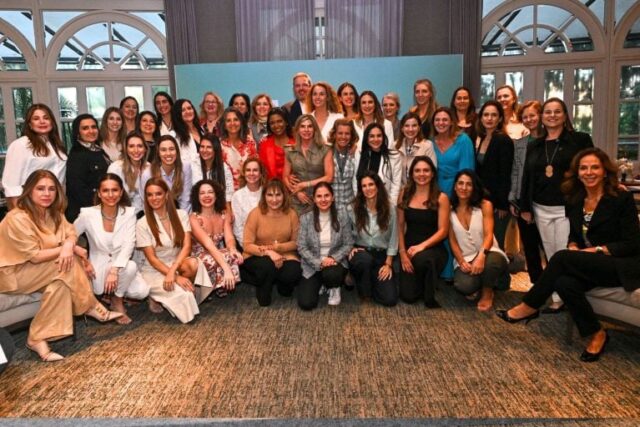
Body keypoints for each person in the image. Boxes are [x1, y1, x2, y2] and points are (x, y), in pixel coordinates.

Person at [497, 148, 640, 362]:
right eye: (584, 168)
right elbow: (574, 235)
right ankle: (597, 334)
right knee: (564, 283)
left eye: (595, 167)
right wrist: (574, 246)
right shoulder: (575, 199)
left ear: (604, 171)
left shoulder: (620, 198)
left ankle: (529, 306)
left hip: (621, 264)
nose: (589, 172)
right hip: (592, 263)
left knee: (561, 257)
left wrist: (595, 250)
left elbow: (632, 243)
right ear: (577, 173)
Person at [0, 170, 122, 362]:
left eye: (51, 189)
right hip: (12, 275)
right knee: (68, 262)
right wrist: (68, 250)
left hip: (40, 272)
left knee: (61, 286)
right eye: (40, 189)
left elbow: (71, 233)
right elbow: (34, 256)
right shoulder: (16, 218)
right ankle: (91, 306)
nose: (46, 194)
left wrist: (68, 245)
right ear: (29, 191)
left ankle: (36, 339)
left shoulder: (53, 213)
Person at [520, 97, 594, 312]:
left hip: (566, 208)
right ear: (542, 117)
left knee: (564, 252)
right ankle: (557, 296)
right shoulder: (535, 145)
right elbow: (527, 177)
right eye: (548, 112)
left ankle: (568, 293)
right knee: (550, 252)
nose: (552, 116)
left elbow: (592, 165)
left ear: (565, 115)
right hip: (540, 207)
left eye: (557, 111)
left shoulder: (579, 140)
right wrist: (525, 207)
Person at [74, 174, 150, 324]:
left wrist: (114, 270)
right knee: (129, 268)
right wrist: (81, 256)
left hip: (120, 266)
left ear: (121, 192)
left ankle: (116, 299)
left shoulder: (129, 214)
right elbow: (68, 236)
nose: (110, 195)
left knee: (141, 290)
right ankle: (110, 297)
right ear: (99, 193)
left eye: (114, 190)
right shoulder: (87, 214)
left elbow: (129, 245)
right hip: (96, 268)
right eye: (106, 190)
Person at [136, 178, 213, 323]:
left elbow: (187, 246)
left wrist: (174, 272)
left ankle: (182, 289)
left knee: (194, 264)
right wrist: (175, 277)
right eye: (150, 195)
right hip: (155, 270)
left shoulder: (181, 214)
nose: (154, 198)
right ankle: (155, 296)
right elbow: (152, 259)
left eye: (158, 193)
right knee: (185, 296)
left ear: (166, 195)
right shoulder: (142, 223)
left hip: (176, 263)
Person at [448, 170, 508, 312]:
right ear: (455, 186)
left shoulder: (485, 205)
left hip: (489, 251)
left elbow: (489, 235)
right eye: (460, 183)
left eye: (469, 184)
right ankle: (484, 281)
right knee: (463, 286)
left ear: (474, 187)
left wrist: (481, 256)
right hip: (466, 257)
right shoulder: (449, 209)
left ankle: (487, 292)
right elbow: (452, 241)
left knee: (491, 264)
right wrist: (461, 261)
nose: (464, 188)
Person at [397, 156, 449, 308]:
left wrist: (421, 246)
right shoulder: (404, 194)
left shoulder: (441, 198)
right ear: (412, 174)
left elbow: (443, 231)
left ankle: (429, 290)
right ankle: (423, 282)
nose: (422, 174)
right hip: (409, 249)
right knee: (408, 297)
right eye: (417, 170)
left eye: (426, 170)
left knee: (424, 260)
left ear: (432, 174)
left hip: (433, 248)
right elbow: (399, 225)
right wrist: (402, 253)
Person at [241, 179, 302, 307]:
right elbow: (247, 245)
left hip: (284, 254)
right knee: (267, 266)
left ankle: (278, 281)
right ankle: (264, 287)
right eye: (270, 195)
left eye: (278, 195)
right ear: (264, 196)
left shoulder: (291, 214)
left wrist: (278, 248)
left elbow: (296, 242)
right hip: (257, 255)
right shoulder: (255, 214)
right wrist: (269, 252)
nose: (274, 200)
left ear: (284, 196)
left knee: (294, 272)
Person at [432, 106, 475, 281]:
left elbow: (467, 171)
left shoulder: (463, 140)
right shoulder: (430, 142)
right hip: (435, 191)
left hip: (457, 190)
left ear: (451, 122)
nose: (441, 123)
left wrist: (458, 196)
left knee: (455, 230)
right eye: (437, 120)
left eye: (445, 119)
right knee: (440, 229)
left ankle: (456, 271)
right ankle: (442, 271)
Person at [297, 183, 353, 309]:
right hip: (312, 265)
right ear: (314, 199)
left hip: (335, 264)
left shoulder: (342, 216)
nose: (323, 199)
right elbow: (301, 246)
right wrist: (319, 263)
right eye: (319, 196)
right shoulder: (306, 218)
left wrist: (333, 258)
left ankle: (334, 287)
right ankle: (322, 283)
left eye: (327, 195)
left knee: (332, 275)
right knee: (306, 304)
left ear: (333, 197)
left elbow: (348, 243)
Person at [2, 104, 67, 210]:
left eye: (46, 118)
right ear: (30, 124)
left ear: (52, 122)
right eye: (36, 119)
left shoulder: (56, 146)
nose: (42, 121)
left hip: (52, 204)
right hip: (28, 204)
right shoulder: (21, 144)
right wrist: (19, 212)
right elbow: (12, 185)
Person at [349, 172, 399, 306]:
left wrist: (388, 264)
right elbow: (346, 232)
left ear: (378, 186)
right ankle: (364, 288)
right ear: (360, 189)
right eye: (364, 186)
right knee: (364, 261)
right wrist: (350, 247)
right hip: (361, 253)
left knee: (389, 299)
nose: (368, 188)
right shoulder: (353, 208)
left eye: (371, 184)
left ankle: (369, 280)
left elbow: (394, 237)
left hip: (381, 256)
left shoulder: (390, 209)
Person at [509, 100, 545, 284]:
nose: (529, 119)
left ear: (541, 116)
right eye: (525, 117)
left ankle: (555, 285)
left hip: (547, 201)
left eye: (533, 115)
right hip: (524, 201)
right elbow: (515, 173)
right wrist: (514, 200)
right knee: (530, 247)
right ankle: (536, 284)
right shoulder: (520, 144)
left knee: (548, 246)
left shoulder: (551, 140)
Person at [189, 180, 242, 298]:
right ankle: (207, 290)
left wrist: (233, 249)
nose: (206, 196)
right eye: (202, 193)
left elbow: (229, 238)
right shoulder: (194, 218)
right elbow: (208, 245)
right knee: (211, 259)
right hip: (199, 256)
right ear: (197, 197)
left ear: (216, 195)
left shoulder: (224, 214)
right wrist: (226, 269)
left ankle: (221, 285)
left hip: (216, 251)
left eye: (210, 192)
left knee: (232, 255)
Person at [474, 100, 514, 250]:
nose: (489, 118)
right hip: (484, 200)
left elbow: (505, 174)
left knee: (496, 244)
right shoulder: (483, 138)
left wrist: (502, 204)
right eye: (486, 115)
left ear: (500, 118)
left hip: (498, 204)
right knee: (485, 241)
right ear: (481, 118)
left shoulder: (503, 140)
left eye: (494, 115)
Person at [283, 114, 334, 215]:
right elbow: (285, 176)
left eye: (310, 126)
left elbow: (329, 177)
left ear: (315, 129)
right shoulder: (290, 150)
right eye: (302, 126)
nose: (306, 130)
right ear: (297, 130)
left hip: (320, 200)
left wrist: (305, 184)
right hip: (297, 201)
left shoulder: (325, 149)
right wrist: (297, 192)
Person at [65, 113, 111, 222]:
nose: (91, 131)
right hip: (86, 213)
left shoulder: (97, 149)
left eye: (93, 127)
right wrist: (97, 210)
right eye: (85, 128)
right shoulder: (77, 155)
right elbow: (78, 189)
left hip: (99, 208)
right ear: (78, 133)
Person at [355, 123, 402, 206]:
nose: (376, 139)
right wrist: (359, 201)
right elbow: (355, 180)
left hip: (385, 203)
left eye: (379, 136)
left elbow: (396, 184)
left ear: (383, 137)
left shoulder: (394, 156)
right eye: (372, 136)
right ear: (366, 138)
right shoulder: (359, 154)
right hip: (363, 202)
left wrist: (391, 205)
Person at [142, 135, 192, 212]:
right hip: (156, 212)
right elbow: (146, 202)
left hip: (179, 211)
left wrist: (182, 217)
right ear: (158, 153)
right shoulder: (148, 174)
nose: (168, 153)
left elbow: (185, 200)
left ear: (177, 151)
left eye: (171, 149)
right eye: (163, 150)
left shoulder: (185, 168)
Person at [107, 131, 150, 215]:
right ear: (126, 149)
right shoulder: (115, 168)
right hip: (121, 214)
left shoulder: (149, 167)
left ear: (145, 149)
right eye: (131, 146)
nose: (136, 150)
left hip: (145, 214)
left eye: (140, 146)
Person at [192, 133, 234, 212]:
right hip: (197, 210)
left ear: (216, 149)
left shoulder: (224, 168)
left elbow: (228, 198)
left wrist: (228, 214)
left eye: (209, 147)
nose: (204, 150)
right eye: (202, 146)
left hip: (218, 210)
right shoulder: (192, 165)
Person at [219, 107, 258, 190]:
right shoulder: (219, 145)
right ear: (224, 125)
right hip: (227, 191)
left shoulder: (250, 141)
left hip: (249, 189)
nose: (232, 123)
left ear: (241, 122)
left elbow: (256, 167)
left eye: (236, 119)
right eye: (228, 120)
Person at [231, 157, 265, 248]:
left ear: (261, 173)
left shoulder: (267, 193)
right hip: (247, 244)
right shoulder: (237, 196)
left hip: (268, 242)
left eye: (255, 170)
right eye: (248, 170)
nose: (251, 173)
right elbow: (237, 228)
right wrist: (250, 246)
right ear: (244, 173)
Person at [395, 112, 437, 183]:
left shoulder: (427, 145)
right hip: (401, 188)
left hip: (421, 185)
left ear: (419, 128)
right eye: (407, 126)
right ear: (402, 128)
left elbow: (432, 170)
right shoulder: (395, 146)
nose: (410, 129)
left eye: (414, 125)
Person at [328, 119, 358, 213]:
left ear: (351, 135)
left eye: (347, 133)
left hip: (350, 208)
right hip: (329, 208)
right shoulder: (326, 152)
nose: (343, 137)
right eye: (340, 133)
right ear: (334, 134)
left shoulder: (355, 153)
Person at [258, 107, 295, 180]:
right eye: (272, 123)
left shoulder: (296, 142)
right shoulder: (264, 145)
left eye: (279, 121)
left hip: (294, 184)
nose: (276, 125)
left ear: (286, 122)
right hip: (271, 185)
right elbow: (262, 171)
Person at [172, 98, 203, 174]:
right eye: (183, 110)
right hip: (187, 175)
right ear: (178, 114)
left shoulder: (202, 130)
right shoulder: (174, 135)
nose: (188, 112)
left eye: (189, 108)